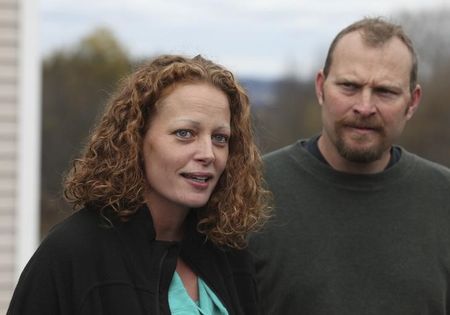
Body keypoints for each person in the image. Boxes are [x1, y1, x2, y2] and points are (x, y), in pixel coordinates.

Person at [8, 54, 269, 315]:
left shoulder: (228, 253)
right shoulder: (73, 254)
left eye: (220, 138)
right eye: (185, 133)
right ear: (136, 139)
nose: (208, 153)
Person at [250, 17, 450, 314]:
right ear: (321, 87)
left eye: (386, 91)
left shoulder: (443, 197)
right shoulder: (252, 190)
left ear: (412, 102)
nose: (365, 107)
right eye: (349, 86)